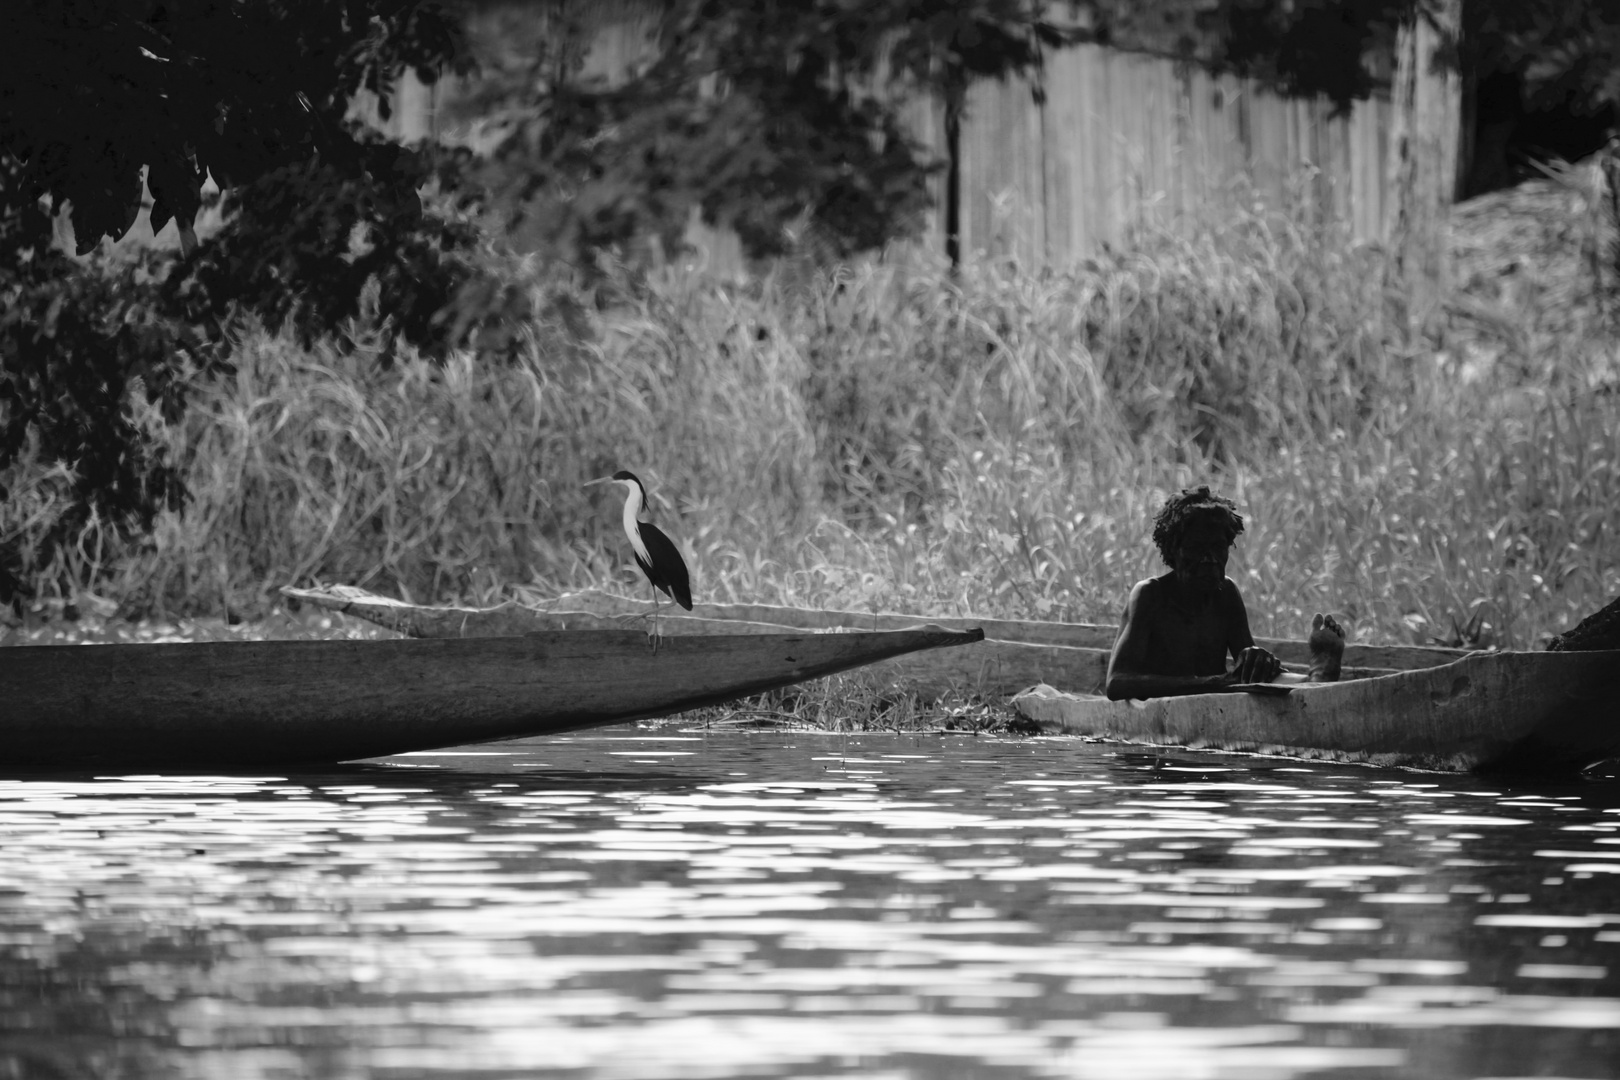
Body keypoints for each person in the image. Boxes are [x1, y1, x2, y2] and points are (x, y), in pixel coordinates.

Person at [1104, 486, 1344, 701]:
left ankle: (1318, 678)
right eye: (1196, 549)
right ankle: (1316, 682)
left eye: (1218, 548)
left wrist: (1258, 660)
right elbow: (1117, 684)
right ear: (1173, 552)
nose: (1210, 560)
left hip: (1211, 703)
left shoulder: (1225, 594)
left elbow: (1248, 676)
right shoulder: (1149, 595)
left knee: (1269, 676)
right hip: (1163, 710)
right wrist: (1215, 683)